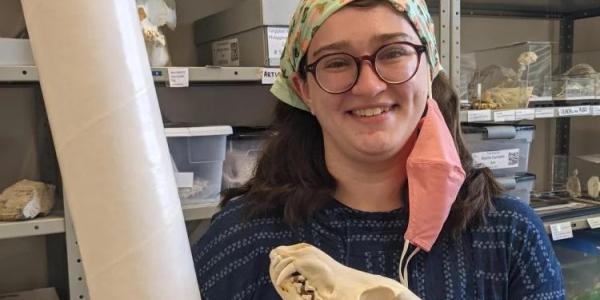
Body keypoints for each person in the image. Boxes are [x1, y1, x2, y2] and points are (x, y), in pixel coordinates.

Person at [192, 0, 565, 299]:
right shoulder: (240, 239)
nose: (369, 86)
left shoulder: (509, 236)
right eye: (336, 62)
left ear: (429, 67)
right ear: (303, 88)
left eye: (393, 53)